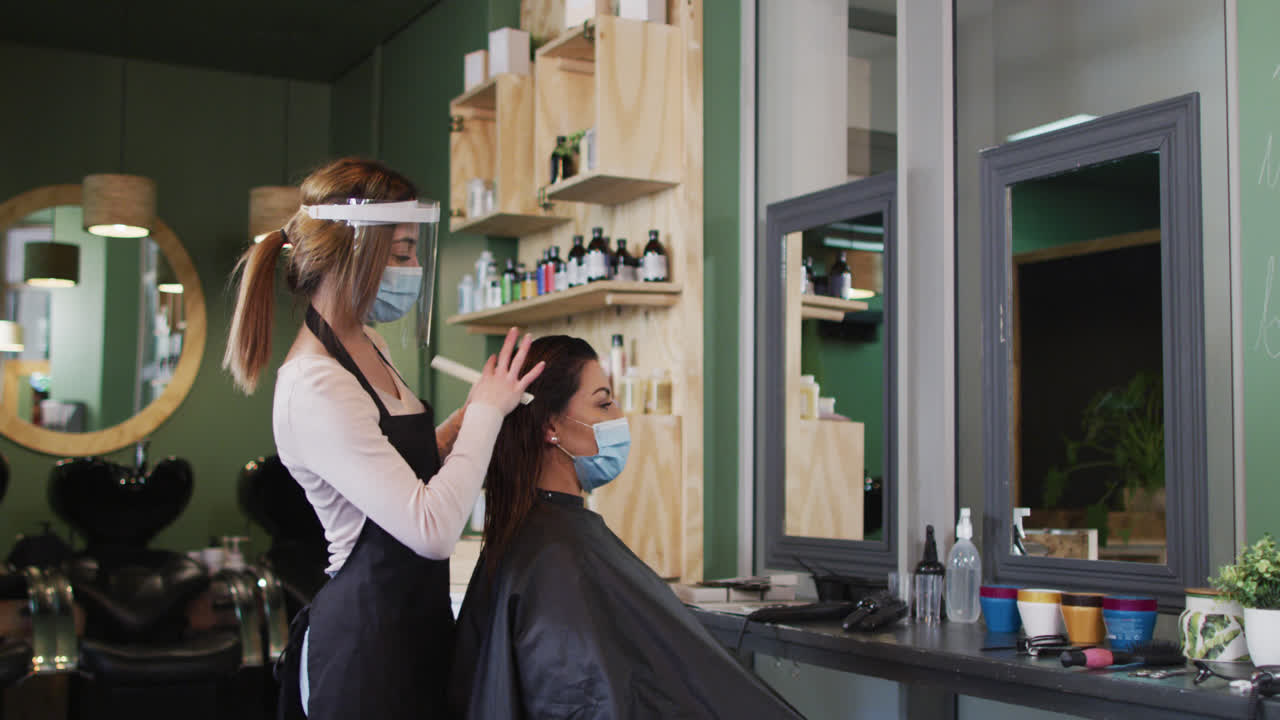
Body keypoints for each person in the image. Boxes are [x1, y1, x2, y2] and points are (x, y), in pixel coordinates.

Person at [223, 156, 543, 720]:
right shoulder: (315, 383)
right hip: (365, 651)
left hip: (418, 630)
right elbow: (430, 529)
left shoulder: (372, 346)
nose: (413, 268)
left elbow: (397, 469)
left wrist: (464, 423)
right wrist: (486, 416)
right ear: (353, 251)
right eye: (400, 254)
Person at [450, 335, 803, 719]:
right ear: (551, 427)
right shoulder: (557, 555)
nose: (620, 417)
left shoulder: (531, 535)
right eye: (604, 403)